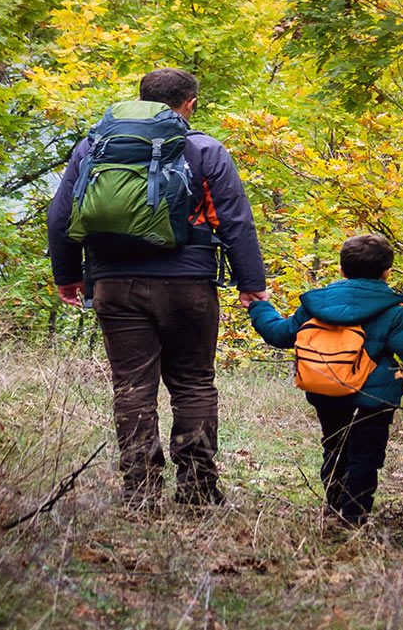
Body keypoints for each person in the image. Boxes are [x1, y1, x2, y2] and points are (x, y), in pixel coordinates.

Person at [46, 67, 268, 508]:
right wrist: (251, 283)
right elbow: (235, 219)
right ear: (190, 104)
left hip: (114, 282)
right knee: (193, 384)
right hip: (188, 285)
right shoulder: (204, 149)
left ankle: (140, 491)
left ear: (142, 98)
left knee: (132, 386)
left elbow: (60, 215)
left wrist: (68, 276)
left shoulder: (94, 146)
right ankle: (198, 490)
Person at [247, 234, 403, 527]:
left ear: (341, 269)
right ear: (387, 271)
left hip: (325, 390)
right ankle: (352, 518)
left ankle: (334, 508)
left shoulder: (316, 303)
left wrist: (259, 306)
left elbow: (279, 334)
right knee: (365, 455)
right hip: (373, 400)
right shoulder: (394, 311)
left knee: (334, 447)